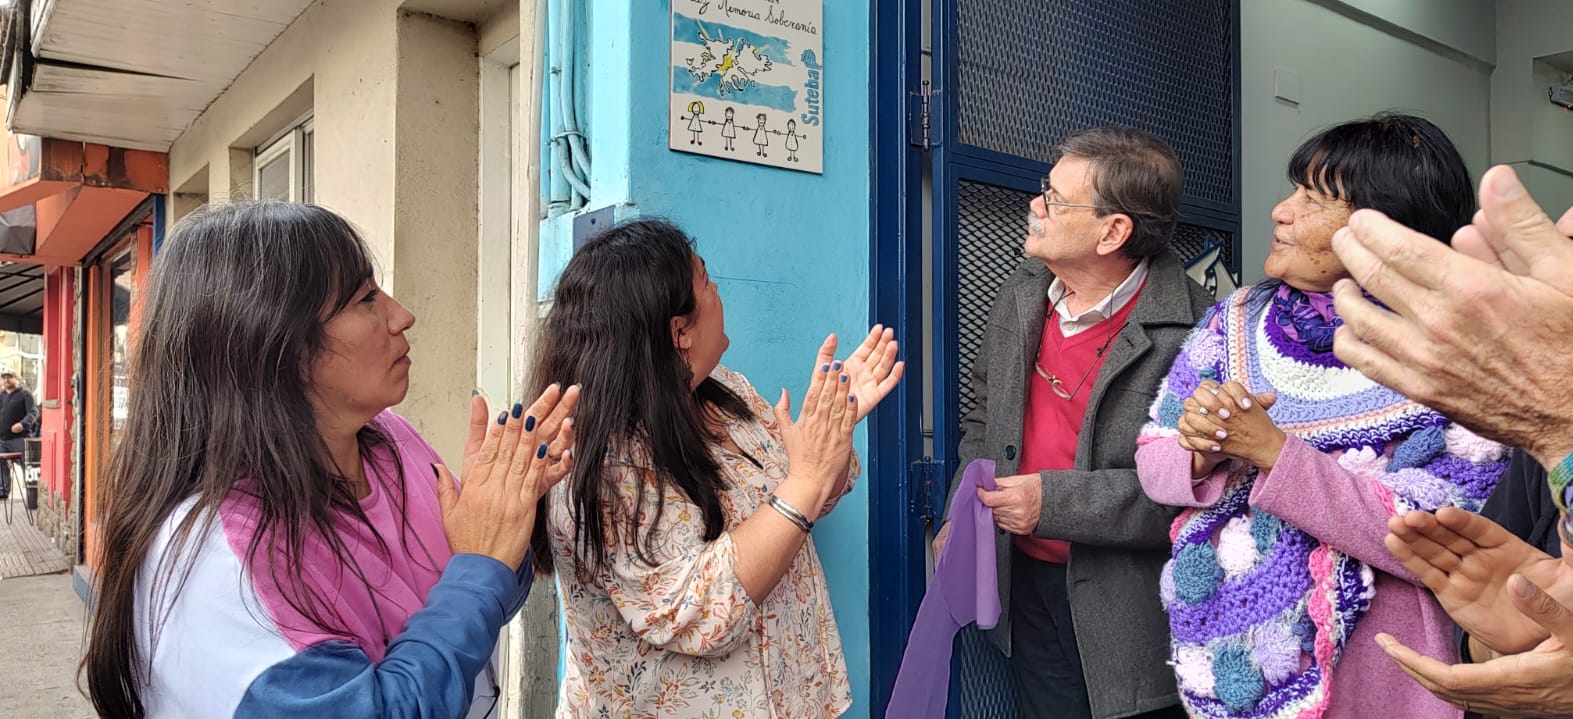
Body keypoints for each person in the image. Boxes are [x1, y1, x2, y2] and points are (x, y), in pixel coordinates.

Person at [81, 202, 579, 719]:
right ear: (276, 344)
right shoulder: (215, 560)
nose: (402, 316)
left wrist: (498, 523)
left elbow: (479, 605)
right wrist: (478, 568)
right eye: (366, 298)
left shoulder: (390, 443)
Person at [1134, 113, 1508, 719]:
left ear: (1386, 226)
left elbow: (1438, 536)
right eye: (1294, 191)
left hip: (1382, 670)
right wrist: (1202, 448)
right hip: (1235, 651)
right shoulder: (1235, 322)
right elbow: (1155, 459)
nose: (1281, 211)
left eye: (1312, 199)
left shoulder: (1464, 353)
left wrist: (1272, 453)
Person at [527, 218, 903, 718]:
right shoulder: (595, 465)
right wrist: (806, 481)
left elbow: (800, 501)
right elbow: (702, 612)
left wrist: (829, 431)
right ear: (679, 332)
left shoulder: (725, 392)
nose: (718, 291)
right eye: (706, 282)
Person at [931, 125, 1209, 719]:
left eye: (1055, 199)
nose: (1035, 206)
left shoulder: (1196, 333)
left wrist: (1052, 504)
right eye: (1044, 190)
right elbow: (984, 416)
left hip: (1130, 606)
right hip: (1027, 581)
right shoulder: (1023, 293)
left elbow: (1195, 491)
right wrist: (962, 512)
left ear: (1113, 232)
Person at [1332, 128, 1573, 716]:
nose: (1571, 224)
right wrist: (1508, 642)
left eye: (1316, 197)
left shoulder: (1562, 401)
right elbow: (1506, 611)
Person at [0, 368, 37, 498]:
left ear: (16, 378)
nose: (6, 380)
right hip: (2, 440)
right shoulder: (1, 395)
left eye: (9, 377)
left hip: (20, 439)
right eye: (4, 377)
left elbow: (33, 412)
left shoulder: (25, 394)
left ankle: (32, 496)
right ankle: (3, 491)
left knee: (26, 466)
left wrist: (22, 424)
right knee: (1, 464)